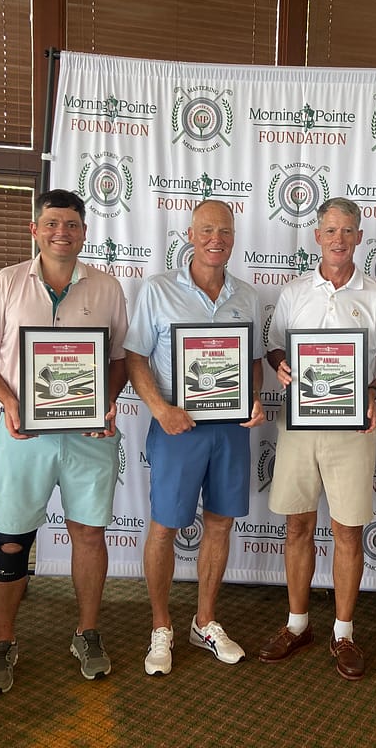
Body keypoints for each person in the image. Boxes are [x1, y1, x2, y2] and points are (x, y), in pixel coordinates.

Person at [0, 189, 129, 694]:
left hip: (88, 435)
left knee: (88, 536)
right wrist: (7, 402)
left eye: (72, 224)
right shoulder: (7, 283)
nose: (63, 231)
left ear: (84, 232)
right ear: (35, 230)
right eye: (52, 223)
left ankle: (87, 633)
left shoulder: (107, 287)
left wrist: (107, 400)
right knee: (12, 540)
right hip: (22, 433)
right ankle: (4, 641)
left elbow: (119, 360)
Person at [258, 197, 376, 680]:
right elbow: (274, 344)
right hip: (299, 427)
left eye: (347, 231)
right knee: (297, 527)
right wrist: (278, 362)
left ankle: (343, 632)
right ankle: (297, 625)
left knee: (347, 532)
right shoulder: (294, 291)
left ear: (359, 237)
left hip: (351, 429)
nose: (338, 239)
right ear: (317, 236)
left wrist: (371, 389)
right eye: (330, 230)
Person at [125, 199, 265, 676]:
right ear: (189, 233)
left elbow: (252, 363)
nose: (216, 239)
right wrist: (160, 409)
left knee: (221, 524)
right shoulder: (156, 290)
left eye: (224, 231)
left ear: (233, 237)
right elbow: (135, 358)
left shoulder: (247, 296)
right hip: (176, 427)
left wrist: (254, 398)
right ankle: (161, 626)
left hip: (229, 429)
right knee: (164, 525)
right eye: (207, 230)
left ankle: (204, 621)